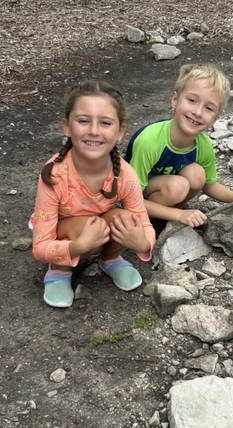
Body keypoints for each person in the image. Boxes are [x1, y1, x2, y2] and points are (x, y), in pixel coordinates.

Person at [30, 80, 156, 308]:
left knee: (127, 220)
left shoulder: (125, 175)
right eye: (83, 121)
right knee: (88, 227)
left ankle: (109, 259)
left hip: (98, 228)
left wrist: (142, 244)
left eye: (105, 123)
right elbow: (40, 246)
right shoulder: (54, 174)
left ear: (120, 132)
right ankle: (59, 270)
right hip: (64, 229)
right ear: (67, 126)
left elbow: (143, 221)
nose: (94, 131)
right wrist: (77, 248)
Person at [124, 63, 233, 228]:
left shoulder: (203, 146)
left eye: (208, 108)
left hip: (163, 190)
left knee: (197, 174)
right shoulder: (149, 141)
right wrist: (180, 215)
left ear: (215, 119)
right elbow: (130, 200)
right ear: (175, 100)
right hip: (135, 193)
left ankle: (167, 216)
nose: (198, 112)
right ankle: (155, 221)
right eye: (192, 100)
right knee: (178, 186)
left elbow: (209, 185)